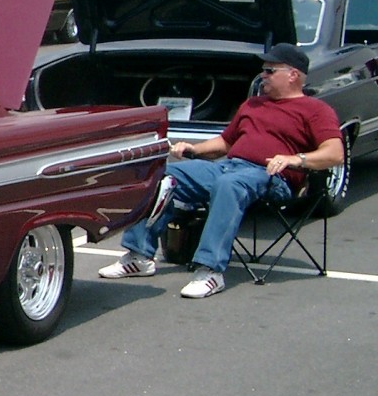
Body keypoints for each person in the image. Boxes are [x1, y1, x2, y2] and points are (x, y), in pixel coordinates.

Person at [98, 43, 344, 299]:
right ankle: (139, 255)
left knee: (229, 185)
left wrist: (295, 159)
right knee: (163, 175)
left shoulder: (315, 110)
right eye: (263, 70)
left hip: (271, 175)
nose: (263, 76)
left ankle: (210, 271)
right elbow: (226, 143)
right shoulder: (253, 105)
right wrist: (193, 149)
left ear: (293, 75)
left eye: (270, 71)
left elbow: (334, 153)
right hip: (229, 166)